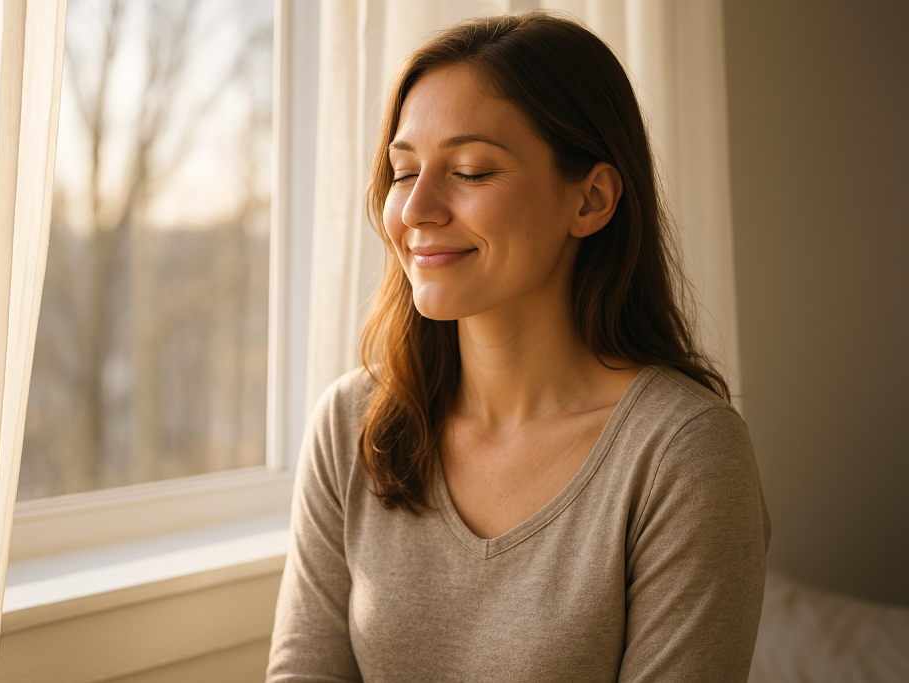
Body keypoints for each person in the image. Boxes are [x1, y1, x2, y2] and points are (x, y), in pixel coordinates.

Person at [267, 11, 770, 682]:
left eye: (471, 171)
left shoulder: (686, 456)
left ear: (590, 199)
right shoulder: (349, 426)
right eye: (403, 170)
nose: (415, 209)